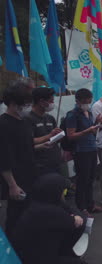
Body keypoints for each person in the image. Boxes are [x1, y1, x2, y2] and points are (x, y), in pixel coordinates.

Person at [10, 173, 87, 264]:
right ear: (54, 192)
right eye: (63, 191)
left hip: (27, 254)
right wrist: (73, 215)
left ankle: (64, 253)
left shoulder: (35, 205)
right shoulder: (51, 212)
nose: (64, 193)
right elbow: (80, 221)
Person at [0, 81, 37, 236]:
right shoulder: (4, 124)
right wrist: (12, 185)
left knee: (28, 216)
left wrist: (43, 146)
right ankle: (12, 253)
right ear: (14, 104)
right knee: (15, 217)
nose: (29, 107)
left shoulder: (24, 122)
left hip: (30, 176)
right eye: (26, 104)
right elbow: (3, 158)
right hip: (16, 180)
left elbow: (25, 147)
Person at [65, 88, 102, 216]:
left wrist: (97, 123)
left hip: (92, 148)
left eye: (89, 101)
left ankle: (90, 204)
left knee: (91, 179)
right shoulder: (72, 115)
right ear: (78, 101)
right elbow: (70, 135)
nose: (88, 104)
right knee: (82, 180)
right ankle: (81, 208)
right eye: (85, 102)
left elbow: (92, 131)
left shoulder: (89, 113)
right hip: (81, 151)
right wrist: (87, 131)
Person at [25, 87, 64, 176]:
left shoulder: (50, 118)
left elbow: (54, 138)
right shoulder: (28, 119)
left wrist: (59, 136)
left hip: (56, 162)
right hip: (41, 166)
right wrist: (48, 136)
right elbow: (28, 142)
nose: (52, 104)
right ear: (42, 102)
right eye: (51, 101)